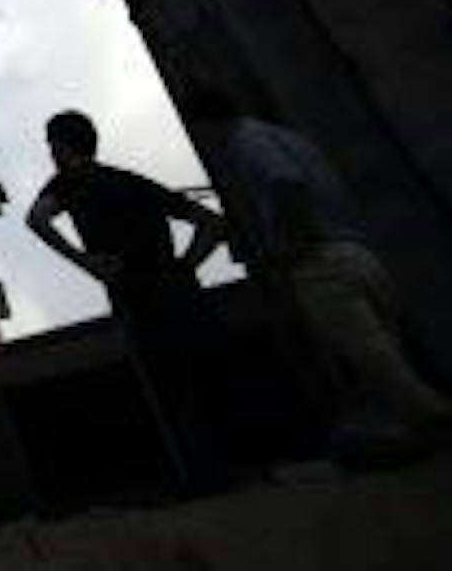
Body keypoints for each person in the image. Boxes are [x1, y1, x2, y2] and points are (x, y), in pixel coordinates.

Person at [192, 90, 452, 462]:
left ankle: (436, 421)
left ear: (206, 124)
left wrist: (289, 244)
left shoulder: (245, 143)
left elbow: (285, 181)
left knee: (381, 369)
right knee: (384, 364)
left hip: (321, 263)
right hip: (358, 252)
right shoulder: (291, 138)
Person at [27, 109, 230, 491]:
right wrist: (185, 267)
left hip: (136, 295)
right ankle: (226, 472)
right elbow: (213, 224)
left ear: (59, 146)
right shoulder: (132, 181)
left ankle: (201, 479)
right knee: (205, 381)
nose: (49, 153)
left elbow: (36, 219)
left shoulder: (70, 180)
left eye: (51, 145)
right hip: (181, 294)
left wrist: (86, 262)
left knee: (169, 390)